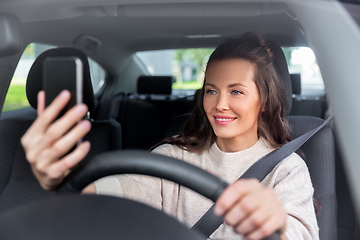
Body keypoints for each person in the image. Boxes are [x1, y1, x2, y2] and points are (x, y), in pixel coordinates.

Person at [21, 32, 319, 240]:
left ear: (265, 100)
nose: (219, 104)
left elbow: (299, 233)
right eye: (212, 90)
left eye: (236, 91)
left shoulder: (287, 169)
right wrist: (66, 180)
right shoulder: (174, 156)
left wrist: (276, 224)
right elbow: (116, 192)